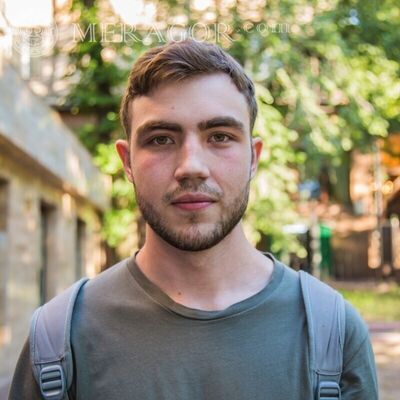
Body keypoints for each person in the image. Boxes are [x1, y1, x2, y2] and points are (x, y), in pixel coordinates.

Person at [9, 39, 378, 400]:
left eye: (219, 136)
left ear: (253, 157)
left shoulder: (331, 334)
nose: (191, 167)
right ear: (127, 162)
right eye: (161, 140)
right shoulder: (59, 342)